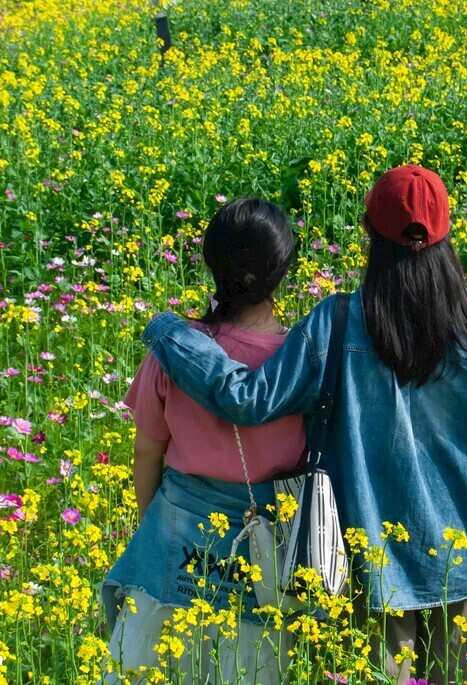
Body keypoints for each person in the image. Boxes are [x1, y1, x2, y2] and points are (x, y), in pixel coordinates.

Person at [141, 165, 467, 685]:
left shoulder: (336, 323)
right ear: (447, 236)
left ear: (368, 234)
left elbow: (247, 399)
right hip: (462, 556)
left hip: (374, 566)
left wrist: (169, 333)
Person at [100, 197, 304, 685]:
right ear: (284, 271)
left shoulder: (176, 351)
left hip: (173, 534)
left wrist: (154, 526)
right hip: (267, 554)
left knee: (150, 669)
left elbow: (147, 453)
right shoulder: (301, 361)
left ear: (210, 263)